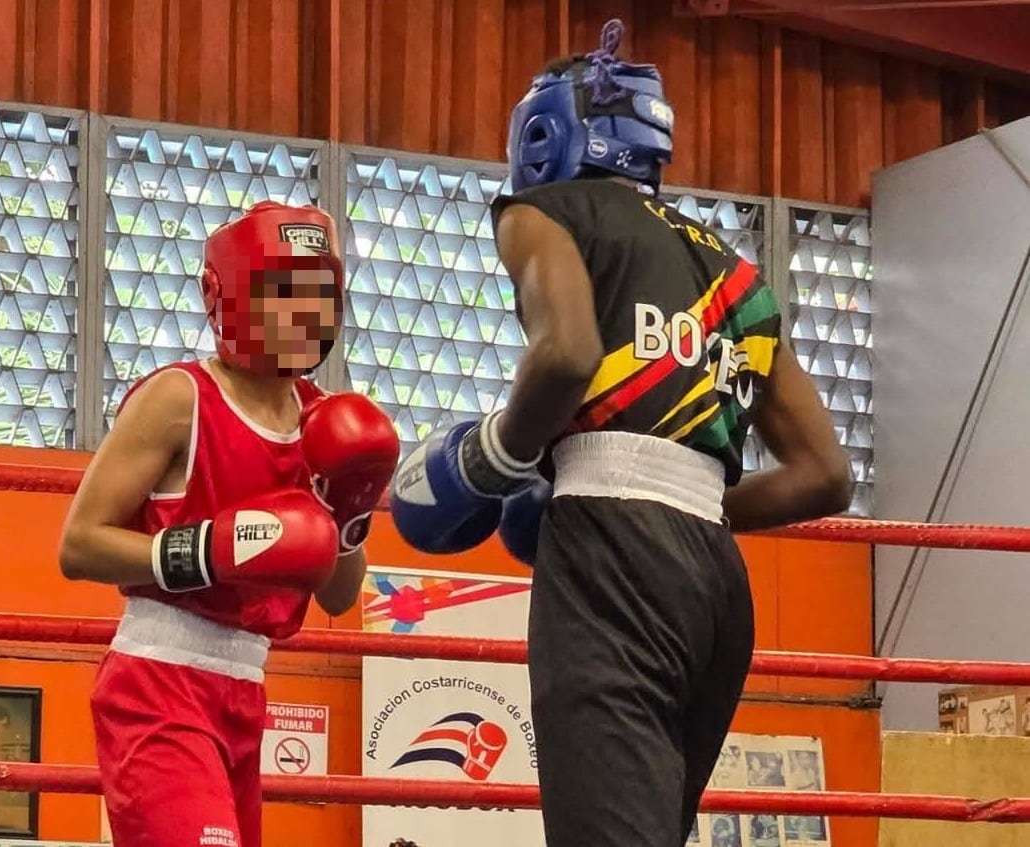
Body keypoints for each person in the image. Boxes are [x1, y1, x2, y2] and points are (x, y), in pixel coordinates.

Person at [390, 18, 851, 847]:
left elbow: (565, 352)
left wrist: (495, 458)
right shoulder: (732, 269)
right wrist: (688, 503)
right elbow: (826, 474)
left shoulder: (544, 211)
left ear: (546, 134)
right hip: (716, 581)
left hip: (614, 565)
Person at [59, 200, 400, 847]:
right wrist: (208, 550)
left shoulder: (326, 422)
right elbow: (79, 545)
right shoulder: (179, 398)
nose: (306, 313)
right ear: (230, 294)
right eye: (283, 292)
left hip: (245, 689)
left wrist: (350, 515)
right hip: (159, 683)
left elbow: (336, 594)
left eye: (320, 294)